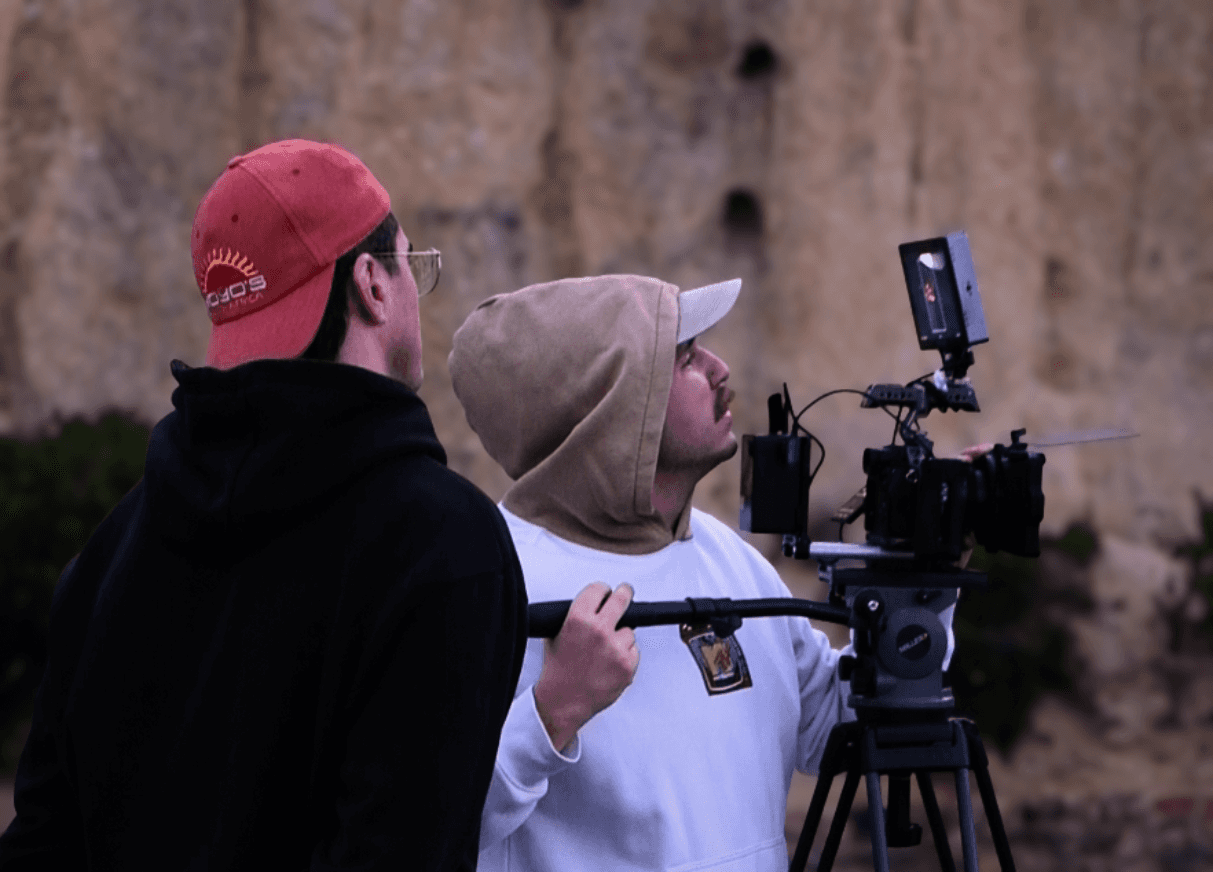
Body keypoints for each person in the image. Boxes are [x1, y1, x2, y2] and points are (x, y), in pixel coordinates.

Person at [0, 139, 528, 870]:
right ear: (373, 283)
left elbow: (40, 844)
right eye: (413, 264)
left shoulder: (113, 545)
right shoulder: (443, 544)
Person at [448, 274, 863, 871]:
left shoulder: (729, 557)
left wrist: (922, 597)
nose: (720, 369)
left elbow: (831, 730)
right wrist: (552, 711)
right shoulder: (488, 578)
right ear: (608, 403)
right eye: (685, 356)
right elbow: (426, 825)